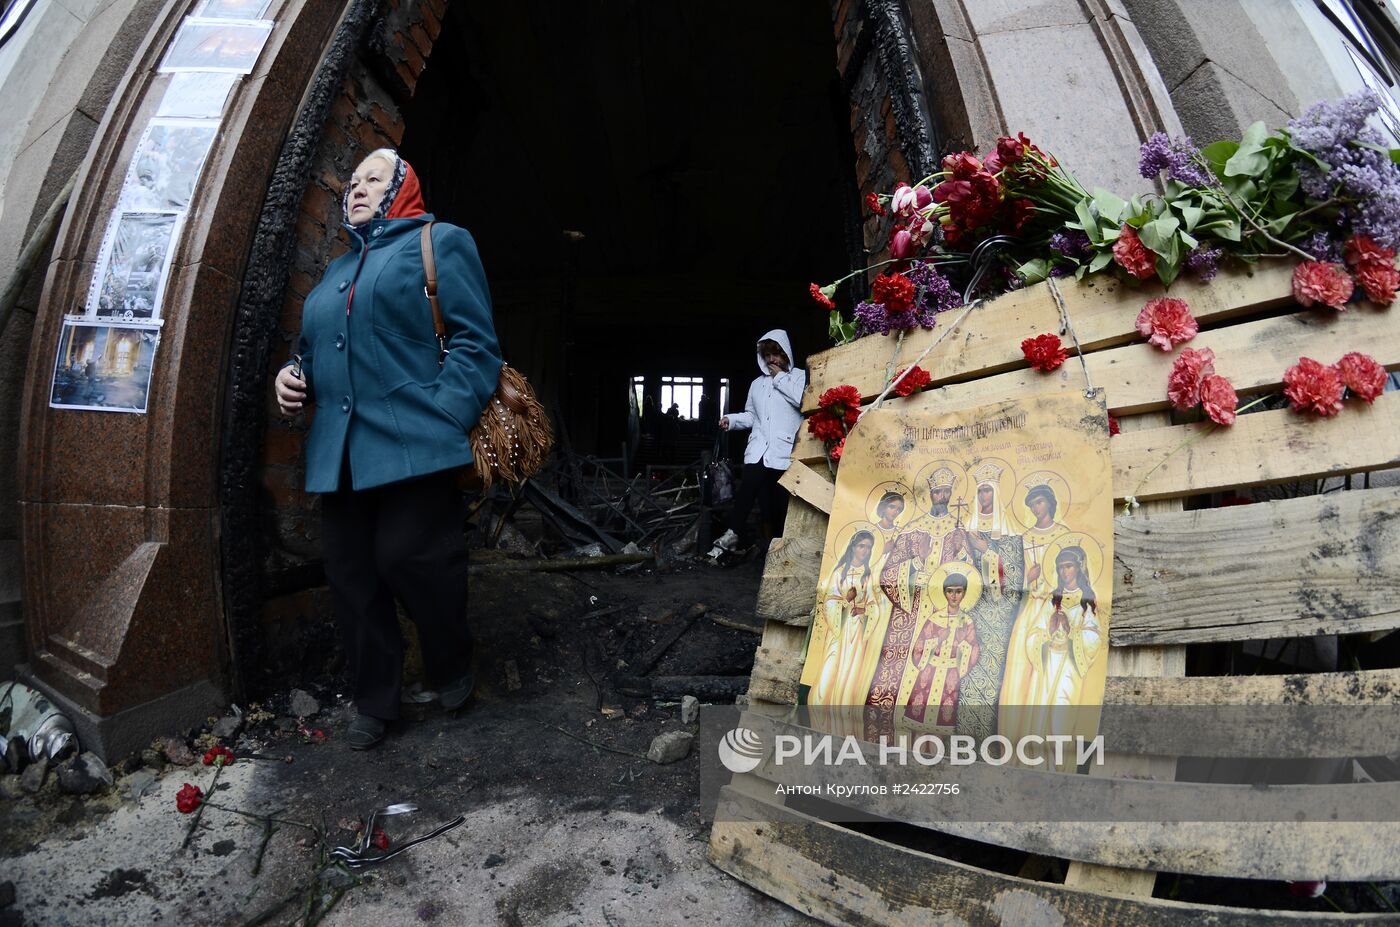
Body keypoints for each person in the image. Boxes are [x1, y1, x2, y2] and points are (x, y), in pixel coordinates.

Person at [273, 149, 501, 751]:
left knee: (413, 558)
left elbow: (477, 344)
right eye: (351, 181)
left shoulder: (439, 242)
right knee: (351, 578)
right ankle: (376, 699)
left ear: (402, 187)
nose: (357, 188)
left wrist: (445, 414)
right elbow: (314, 350)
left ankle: (451, 663)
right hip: (341, 453)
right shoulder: (335, 273)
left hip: (414, 444)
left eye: (373, 178)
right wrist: (293, 375)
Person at [706, 329, 805, 559]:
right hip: (759, 450)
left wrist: (780, 377)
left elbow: (801, 401)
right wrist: (732, 419)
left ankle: (779, 552)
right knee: (747, 488)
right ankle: (732, 532)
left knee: (778, 504)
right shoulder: (756, 384)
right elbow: (752, 416)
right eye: (767, 355)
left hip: (784, 452)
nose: (772, 359)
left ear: (786, 353)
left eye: (776, 354)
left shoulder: (798, 377)